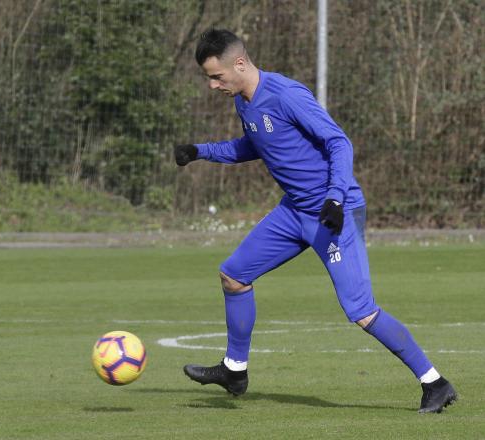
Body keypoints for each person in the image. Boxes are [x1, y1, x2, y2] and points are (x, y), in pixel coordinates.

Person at [174, 29, 457, 414]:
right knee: (234, 275)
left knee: (361, 312)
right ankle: (234, 370)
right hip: (293, 212)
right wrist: (200, 151)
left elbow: (339, 142)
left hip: (333, 213)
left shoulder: (287, 94)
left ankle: (435, 383)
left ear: (239, 64)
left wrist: (336, 197)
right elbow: (254, 144)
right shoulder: (244, 101)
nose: (212, 85)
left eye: (216, 76)